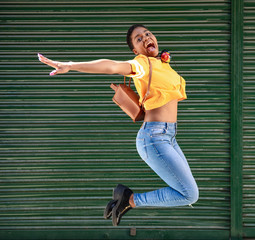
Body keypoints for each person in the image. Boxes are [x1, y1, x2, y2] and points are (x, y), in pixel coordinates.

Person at [38, 24, 199, 226]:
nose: (146, 38)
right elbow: (111, 65)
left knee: (189, 191)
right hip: (154, 139)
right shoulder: (141, 64)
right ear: (135, 50)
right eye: (138, 39)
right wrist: (71, 65)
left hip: (169, 136)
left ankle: (126, 198)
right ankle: (130, 200)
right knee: (189, 194)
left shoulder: (162, 65)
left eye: (147, 34)